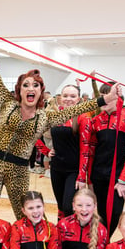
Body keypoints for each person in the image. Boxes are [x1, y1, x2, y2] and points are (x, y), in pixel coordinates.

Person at [0, 27, 122, 219]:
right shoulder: (7, 103)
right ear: (20, 89)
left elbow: (76, 109)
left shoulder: (45, 117)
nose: (31, 88)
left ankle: (37, 246)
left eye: (35, 85)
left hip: (19, 169)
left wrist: (106, 98)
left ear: (41, 91)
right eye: (26, 84)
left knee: (28, 216)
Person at [79, 82, 125, 230]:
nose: (104, 100)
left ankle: (102, 245)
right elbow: (91, 152)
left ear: (118, 97)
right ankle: (102, 248)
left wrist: (123, 179)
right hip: (98, 176)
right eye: (102, 96)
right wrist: (90, 180)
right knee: (101, 215)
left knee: (114, 214)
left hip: (118, 177)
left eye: (109, 96)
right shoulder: (96, 120)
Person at [39, 84, 88, 220]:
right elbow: (33, 136)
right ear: (60, 97)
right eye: (65, 96)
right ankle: (60, 236)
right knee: (60, 206)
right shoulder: (55, 116)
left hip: (74, 170)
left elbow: (85, 149)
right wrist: (46, 151)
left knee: (68, 206)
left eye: (73, 96)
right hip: (56, 168)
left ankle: (70, 235)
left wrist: (82, 176)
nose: (68, 99)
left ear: (78, 99)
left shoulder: (83, 118)